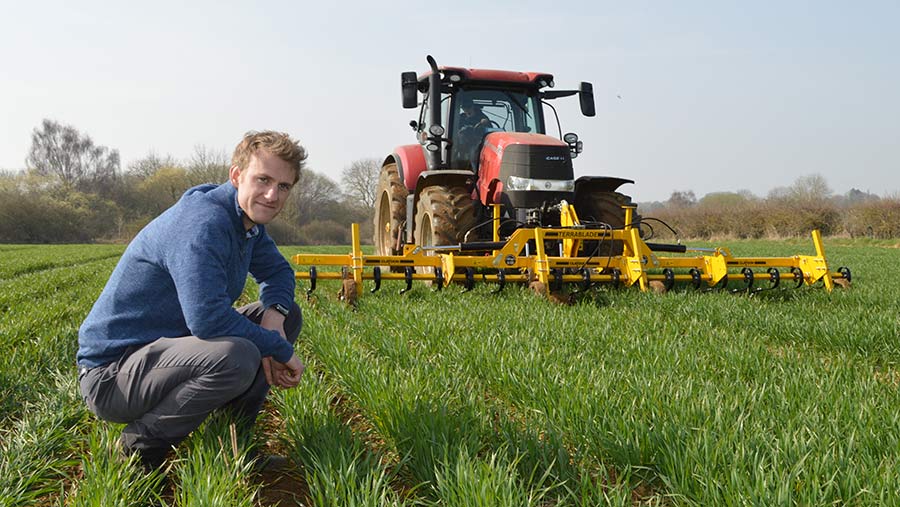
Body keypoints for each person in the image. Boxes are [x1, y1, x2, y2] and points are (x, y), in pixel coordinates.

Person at [77, 130, 307, 470]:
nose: (272, 195)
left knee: (285, 317)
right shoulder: (203, 224)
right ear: (236, 175)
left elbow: (279, 273)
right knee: (237, 355)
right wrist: (280, 348)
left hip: (162, 354)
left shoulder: (246, 222)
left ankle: (230, 444)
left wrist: (275, 317)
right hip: (112, 374)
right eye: (263, 179)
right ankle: (137, 450)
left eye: (283, 186)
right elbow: (208, 320)